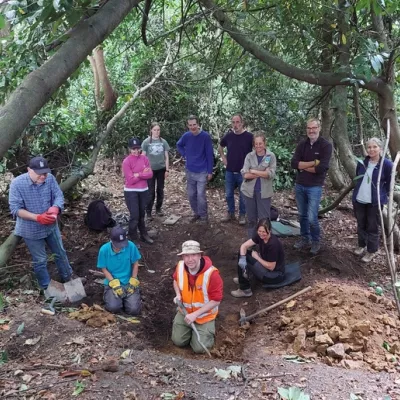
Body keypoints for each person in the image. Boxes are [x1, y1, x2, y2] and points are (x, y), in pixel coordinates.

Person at [8, 156, 75, 290]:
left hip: (51, 225)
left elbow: (58, 195)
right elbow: (16, 209)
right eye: (39, 174)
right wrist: (37, 217)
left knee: (60, 252)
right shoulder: (17, 184)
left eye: (45, 172)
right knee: (40, 260)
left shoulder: (49, 178)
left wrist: (55, 207)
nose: (43, 176)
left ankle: (69, 278)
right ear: (29, 170)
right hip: (30, 229)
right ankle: (46, 287)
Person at [171, 240, 223, 353]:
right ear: (182, 257)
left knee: (199, 349)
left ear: (200, 255)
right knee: (178, 341)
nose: (190, 260)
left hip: (204, 316)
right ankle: (189, 330)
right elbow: (176, 281)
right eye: (186, 256)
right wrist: (178, 294)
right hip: (184, 311)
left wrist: (195, 314)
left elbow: (216, 300)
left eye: (193, 255)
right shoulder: (180, 267)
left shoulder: (212, 274)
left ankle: (207, 330)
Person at [290, 118, 332, 255]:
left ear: (319, 128)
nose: (311, 130)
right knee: (302, 215)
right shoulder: (302, 144)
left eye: (314, 128)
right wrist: (313, 163)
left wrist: (303, 166)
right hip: (300, 184)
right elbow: (294, 163)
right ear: (306, 129)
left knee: (312, 217)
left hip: (315, 186)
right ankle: (304, 238)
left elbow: (321, 168)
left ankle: (315, 241)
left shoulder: (326, 145)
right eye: (309, 128)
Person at [352, 137, 393, 263]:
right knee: (361, 224)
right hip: (359, 199)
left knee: (373, 226)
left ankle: (371, 251)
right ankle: (361, 245)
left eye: (374, 147)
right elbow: (358, 178)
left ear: (380, 148)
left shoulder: (386, 164)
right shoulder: (362, 162)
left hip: (375, 202)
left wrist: (381, 196)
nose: (371, 149)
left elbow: (389, 184)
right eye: (369, 147)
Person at [231, 218, 285, 298]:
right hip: (266, 266)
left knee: (248, 258)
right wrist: (242, 260)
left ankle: (245, 289)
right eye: (259, 231)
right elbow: (244, 246)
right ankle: (243, 276)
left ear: (269, 230)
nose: (261, 234)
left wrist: (257, 257)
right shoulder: (260, 236)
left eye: (264, 232)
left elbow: (271, 267)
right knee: (242, 253)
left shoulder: (273, 244)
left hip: (274, 275)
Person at [97, 226, 142, 315]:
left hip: (128, 282)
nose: (120, 247)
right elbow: (104, 269)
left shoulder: (131, 246)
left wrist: (133, 280)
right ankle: (111, 297)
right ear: (111, 241)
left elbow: (135, 264)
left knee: (134, 310)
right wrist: (114, 284)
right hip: (113, 283)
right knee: (113, 308)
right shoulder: (104, 250)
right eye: (118, 245)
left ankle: (131, 298)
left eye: (122, 244)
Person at [177, 115, 214, 223]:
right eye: (190, 125)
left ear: (198, 124)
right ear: (187, 126)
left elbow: (209, 155)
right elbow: (179, 145)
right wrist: (185, 155)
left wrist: (210, 171)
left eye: (194, 125)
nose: (193, 127)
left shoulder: (205, 137)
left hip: (202, 171)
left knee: (201, 195)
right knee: (191, 194)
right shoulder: (186, 136)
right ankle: (196, 213)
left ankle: (203, 216)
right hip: (190, 170)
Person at [240, 131, 276, 238]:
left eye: (260, 143)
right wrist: (262, 172)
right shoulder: (249, 156)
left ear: (264, 143)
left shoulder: (271, 156)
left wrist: (254, 171)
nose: (258, 146)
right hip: (249, 192)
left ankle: (266, 243)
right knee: (251, 219)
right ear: (253, 144)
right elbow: (245, 175)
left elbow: (271, 174)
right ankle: (252, 241)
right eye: (256, 144)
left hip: (264, 193)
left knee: (264, 220)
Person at [218, 114, 253, 225]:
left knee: (243, 196)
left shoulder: (249, 137)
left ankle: (242, 215)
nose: (235, 125)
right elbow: (220, 147)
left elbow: (257, 150)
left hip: (243, 172)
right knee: (228, 194)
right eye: (233, 122)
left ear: (242, 123)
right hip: (230, 171)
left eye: (238, 122)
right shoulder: (228, 136)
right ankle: (231, 213)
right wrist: (223, 157)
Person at [122, 137, 154, 244]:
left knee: (141, 214)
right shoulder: (126, 161)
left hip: (143, 190)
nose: (136, 151)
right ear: (129, 149)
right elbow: (130, 180)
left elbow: (150, 174)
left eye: (137, 148)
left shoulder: (144, 159)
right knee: (134, 215)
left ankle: (144, 234)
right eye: (133, 149)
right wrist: (142, 174)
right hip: (131, 192)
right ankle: (133, 238)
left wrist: (138, 174)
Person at [141, 122, 171, 220]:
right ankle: (148, 212)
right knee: (150, 191)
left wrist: (167, 170)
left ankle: (158, 209)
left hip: (161, 169)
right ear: (151, 130)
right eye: (155, 130)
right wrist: (143, 169)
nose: (156, 132)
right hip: (150, 171)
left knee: (160, 190)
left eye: (158, 130)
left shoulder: (163, 142)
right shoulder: (146, 142)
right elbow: (143, 157)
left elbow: (166, 157)